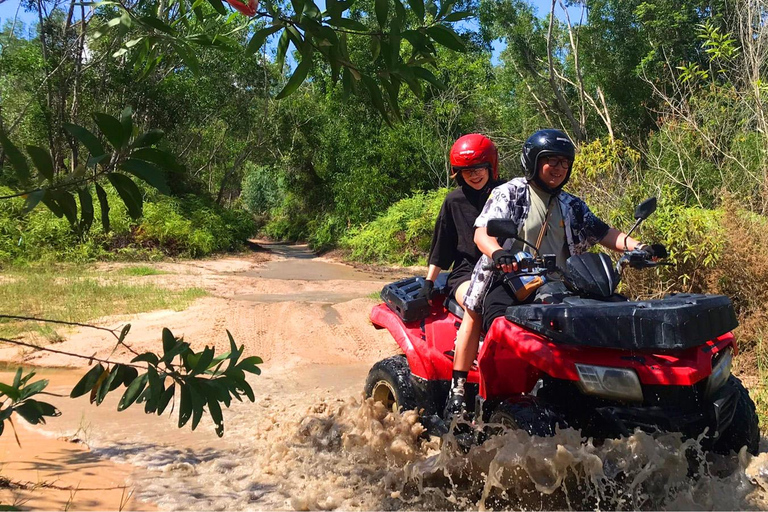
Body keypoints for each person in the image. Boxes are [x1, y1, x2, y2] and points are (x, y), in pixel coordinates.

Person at [444, 129, 665, 418]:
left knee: (615, 307)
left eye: (564, 162)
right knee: (476, 310)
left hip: (561, 284)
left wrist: (640, 247)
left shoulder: (571, 204)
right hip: (509, 278)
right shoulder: (510, 192)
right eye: (551, 161)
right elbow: (482, 233)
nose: (559, 168)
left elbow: (604, 233)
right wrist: (498, 253)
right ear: (533, 162)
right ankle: (458, 389)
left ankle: (618, 392)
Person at [419, 134, 504, 385]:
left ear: (491, 166)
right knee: (477, 302)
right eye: (466, 170)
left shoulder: (506, 193)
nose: (473, 175)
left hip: (506, 269)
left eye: (478, 168)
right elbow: (441, 246)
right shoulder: (453, 201)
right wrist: (429, 282)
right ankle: (459, 383)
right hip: (466, 272)